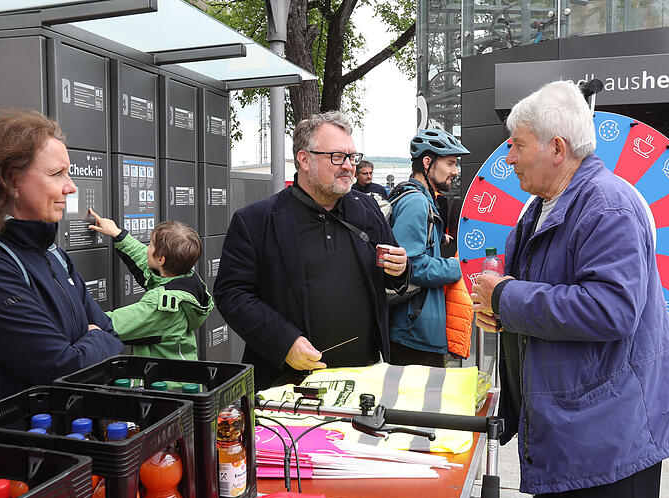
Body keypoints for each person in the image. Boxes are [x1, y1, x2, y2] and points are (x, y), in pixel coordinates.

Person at [470, 81, 669, 498]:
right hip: (574, 435)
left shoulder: (607, 205)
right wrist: (505, 314)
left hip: (609, 440)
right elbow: (552, 299)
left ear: (557, 148)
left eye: (517, 144)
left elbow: (611, 310)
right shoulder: (545, 207)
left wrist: (507, 298)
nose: (509, 157)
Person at [0, 110, 124, 411]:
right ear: (11, 181)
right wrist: (96, 339)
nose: (71, 187)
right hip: (14, 436)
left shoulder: (51, 253)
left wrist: (95, 340)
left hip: (68, 427)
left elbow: (112, 335)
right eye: (57, 174)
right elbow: (62, 368)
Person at [214, 111, 409, 391]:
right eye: (337, 157)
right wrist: (284, 342)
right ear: (304, 159)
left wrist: (400, 269)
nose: (349, 166)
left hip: (365, 378)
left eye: (352, 157)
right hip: (288, 384)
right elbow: (231, 294)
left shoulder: (367, 208)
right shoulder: (256, 220)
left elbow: (391, 271)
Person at [86, 210, 213, 360]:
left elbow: (114, 324)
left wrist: (72, 316)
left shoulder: (162, 305)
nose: (147, 248)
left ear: (161, 260)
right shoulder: (186, 279)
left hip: (168, 375)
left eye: (151, 245)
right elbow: (143, 257)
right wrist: (117, 234)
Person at [388, 129, 467, 367]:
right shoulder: (416, 203)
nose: (455, 171)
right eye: (450, 163)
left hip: (416, 327)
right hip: (414, 332)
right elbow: (411, 266)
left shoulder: (421, 199)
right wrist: (459, 267)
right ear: (427, 162)